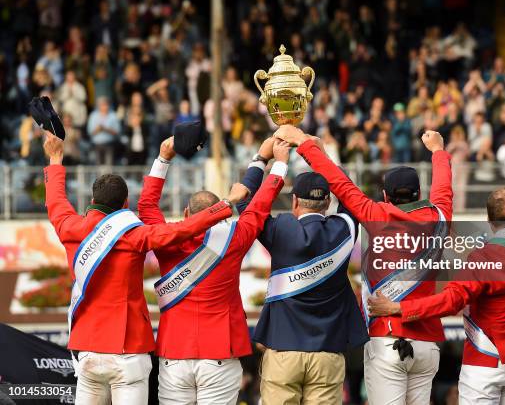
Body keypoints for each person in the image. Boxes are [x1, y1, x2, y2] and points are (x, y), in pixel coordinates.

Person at [368, 120, 505, 405]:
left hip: (484, 362)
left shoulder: (481, 259)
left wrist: (398, 308)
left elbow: (450, 302)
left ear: (489, 222)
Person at [41, 131, 249, 405]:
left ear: (92, 200)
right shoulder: (135, 235)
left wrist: (55, 160)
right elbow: (183, 229)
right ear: (125, 205)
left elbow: (55, 201)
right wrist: (226, 204)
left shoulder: (68, 226)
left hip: (87, 348)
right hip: (128, 351)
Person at [274, 124, 453, 405]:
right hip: (428, 343)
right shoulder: (439, 216)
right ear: (419, 195)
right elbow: (444, 188)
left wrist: (307, 145)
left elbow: (340, 185)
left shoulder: (373, 213)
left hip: (386, 339)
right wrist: (439, 152)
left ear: (384, 196)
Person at [138, 137, 288, 404]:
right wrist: (279, 165)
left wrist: (163, 158)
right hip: (220, 352)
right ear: (221, 215)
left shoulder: (167, 239)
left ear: (186, 213)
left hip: (174, 355)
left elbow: (147, 206)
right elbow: (259, 206)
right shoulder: (235, 238)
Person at [244, 148, 369, 405]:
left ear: (294, 202)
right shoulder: (343, 228)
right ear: (327, 202)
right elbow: (351, 194)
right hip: (327, 351)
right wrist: (319, 154)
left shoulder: (281, 228)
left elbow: (246, 204)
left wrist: (261, 160)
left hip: (283, 350)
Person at [86, 97, 120, 165]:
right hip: (96, 145)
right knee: (98, 167)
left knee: (109, 166)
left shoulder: (113, 115)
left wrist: (106, 129)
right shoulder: (93, 116)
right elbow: (90, 132)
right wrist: (98, 129)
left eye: (106, 105)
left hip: (109, 144)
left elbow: (117, 132)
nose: (104, 107)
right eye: (102, 105)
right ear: (98, 106)